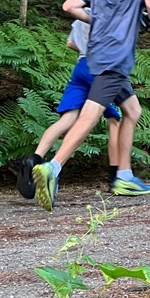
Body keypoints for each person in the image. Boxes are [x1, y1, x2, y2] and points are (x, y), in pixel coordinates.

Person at [32, 0, 150, 211]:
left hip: (96, 58)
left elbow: (69, 5)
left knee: (132, 110)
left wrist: (96, 21)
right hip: (115, 61)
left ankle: (124, 176)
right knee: (90, 116)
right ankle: (53, 168)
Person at [13, 20, 123, 199]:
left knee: (66, 120)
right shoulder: (103, 12)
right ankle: (115, 179)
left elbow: (71, 43)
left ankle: (35, 158)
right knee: (115, 121)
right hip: (98, 69)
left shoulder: (79, 17)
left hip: (80, 68)